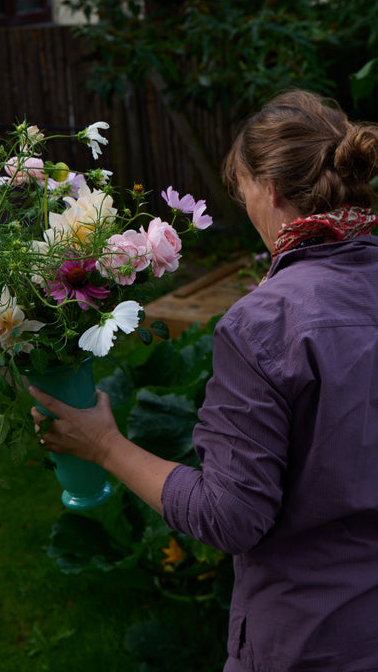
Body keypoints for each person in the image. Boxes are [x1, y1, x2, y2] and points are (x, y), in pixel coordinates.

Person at [30, 89, 378, 672]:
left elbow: (229, 516)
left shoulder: (266, 323)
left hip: (313, 644)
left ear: (268, 190)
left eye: (241, 193)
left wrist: (104, 446)